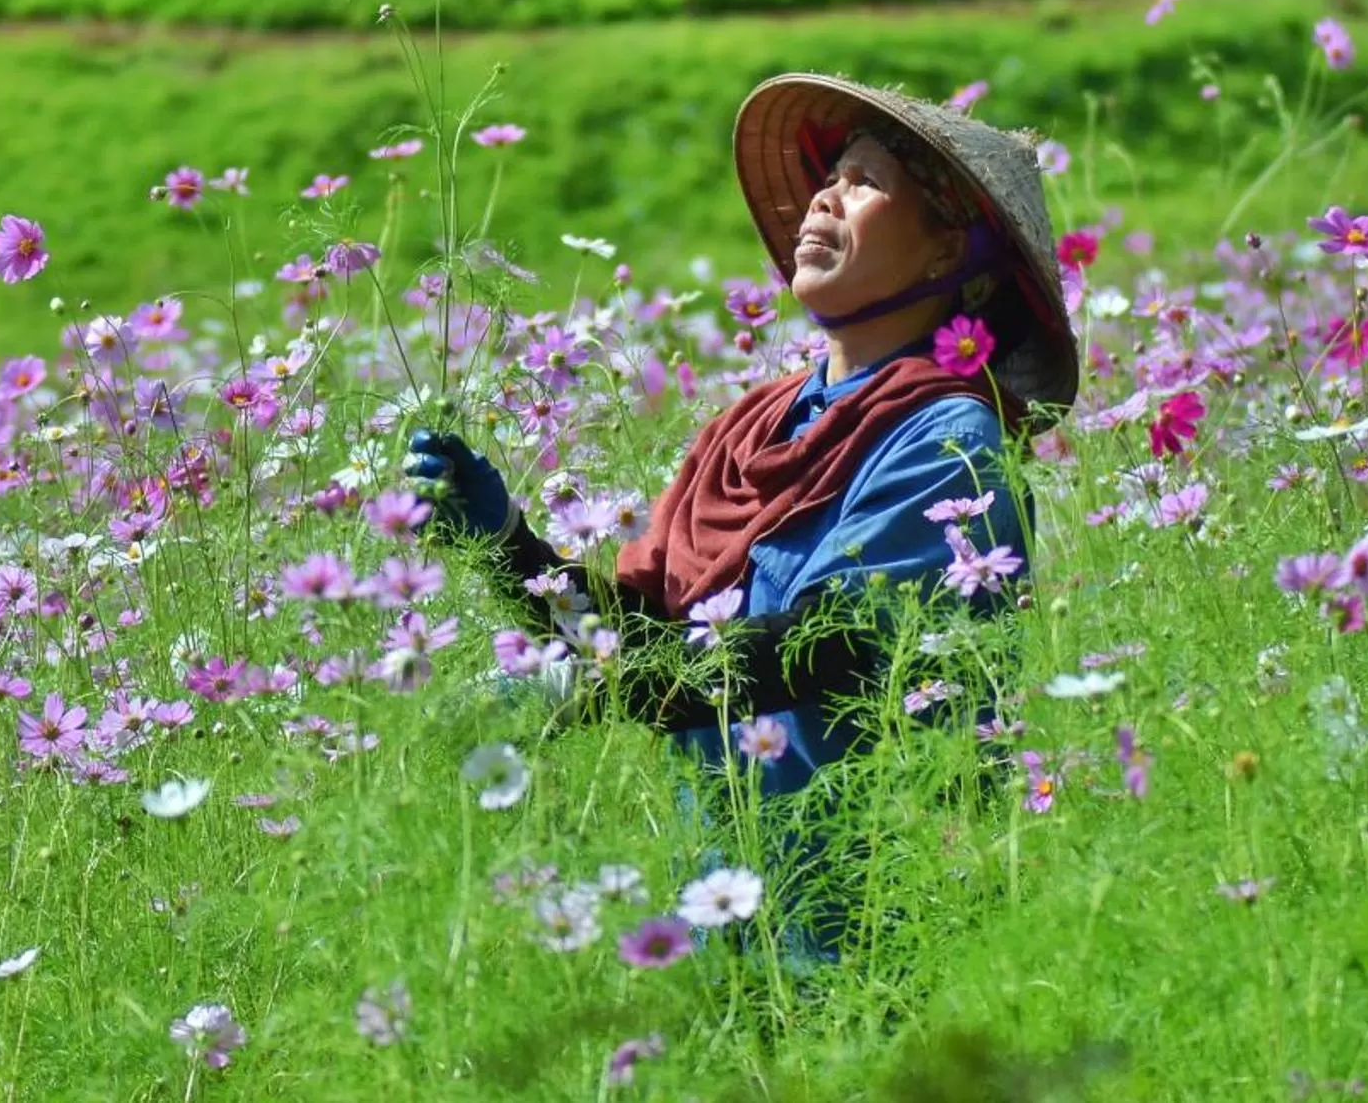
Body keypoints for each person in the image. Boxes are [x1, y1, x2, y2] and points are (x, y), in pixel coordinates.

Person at [408, 72, 1081, 957]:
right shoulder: (749, 428)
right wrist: (505, 546)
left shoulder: (948, 439)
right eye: (829, 174)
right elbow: (633, 634)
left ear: (947, 257)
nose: (825, 197)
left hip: (875, 909)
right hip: (731, 904)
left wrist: (587, 684)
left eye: (867, 181)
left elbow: (820, 647)